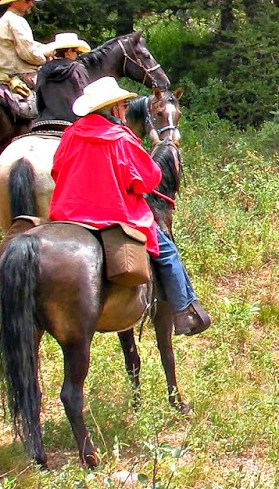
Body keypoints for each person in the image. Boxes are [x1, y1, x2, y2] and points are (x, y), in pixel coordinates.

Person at [50, 76, 211, 336]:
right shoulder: (120, 138)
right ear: (114, 109)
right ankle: (183, 312)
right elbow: (148, 180)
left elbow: (56, 170)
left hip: (68, 213)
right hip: (115, 215)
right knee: (167, 252)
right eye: (123, 105)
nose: (125, 109)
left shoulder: (70, 134)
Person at [0, 0, 54, 88]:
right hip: (20, 72)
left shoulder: (5, 19)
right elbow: (28, 53)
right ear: (15, 2)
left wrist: (45, 49)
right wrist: (45, 59)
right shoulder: (16, 20)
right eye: (27, 1)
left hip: (4, 72)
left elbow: (29, 45)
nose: (31, 4)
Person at [34, 32, 92, 126]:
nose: (77, 55)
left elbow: (39, 102)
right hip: (73, 121)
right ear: (68, 52)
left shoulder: (43, 70)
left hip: (46, 120)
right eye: (76, 52)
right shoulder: (77, 69)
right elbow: (86, 97)